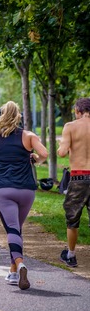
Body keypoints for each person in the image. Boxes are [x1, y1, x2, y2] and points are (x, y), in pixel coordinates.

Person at [0, 101, 48, 290]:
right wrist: (34, 158)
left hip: (3, 190)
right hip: (27, 190)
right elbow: (44, 153)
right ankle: (13, 273)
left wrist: (2, 159)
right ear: (18, 116)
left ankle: (20, 265)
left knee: (12, 229)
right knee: (17, 229)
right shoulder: (28, 136)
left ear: (1, 116)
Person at [57, 97, 90, 268]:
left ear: (78, 111)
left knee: (73, 219)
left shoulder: (70, 126)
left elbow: (62, 153)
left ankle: (71, 255)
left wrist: (60, 145)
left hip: (79, 177)